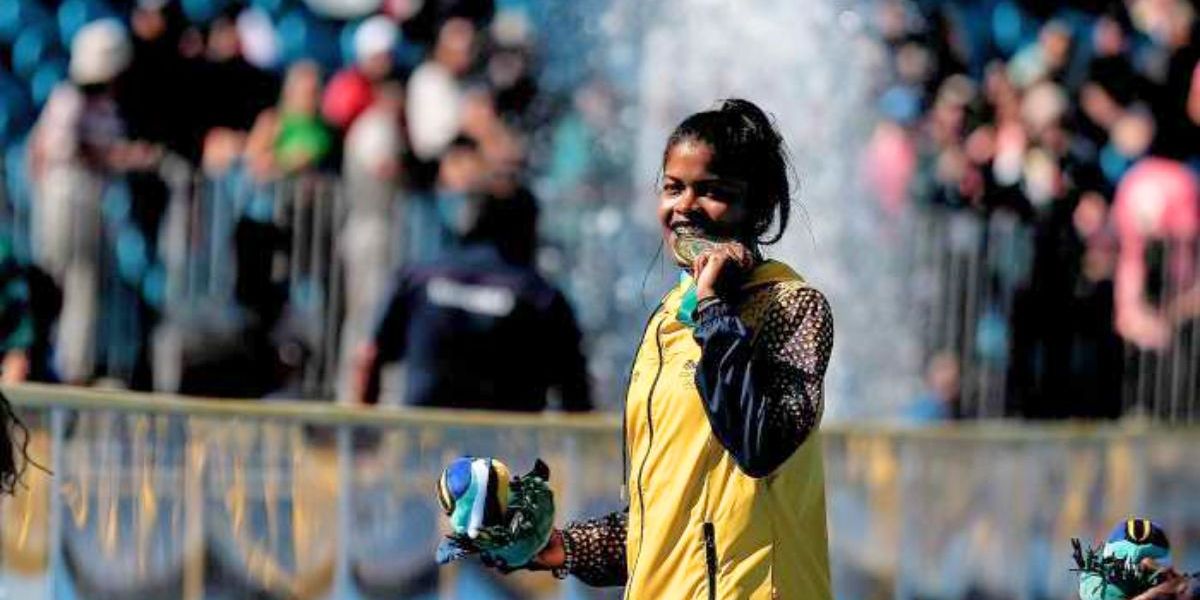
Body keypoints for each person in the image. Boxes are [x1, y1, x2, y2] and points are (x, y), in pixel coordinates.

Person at [489, 99, 835, 598]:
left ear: (755, 208)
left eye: (713, 191)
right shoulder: (669, 319)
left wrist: (716, 310)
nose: (685, 207)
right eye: (673, 188)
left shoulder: (793, 307)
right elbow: (662, 513)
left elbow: (759, 445)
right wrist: (565, 547)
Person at [353, 176, 591, 412]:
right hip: (505, 443)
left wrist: (362, 433)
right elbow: (575, 390)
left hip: (424, 440)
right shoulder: (540, 297)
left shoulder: (416, 278)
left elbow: (370, 356)